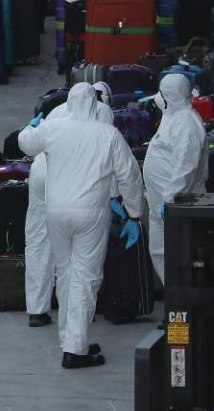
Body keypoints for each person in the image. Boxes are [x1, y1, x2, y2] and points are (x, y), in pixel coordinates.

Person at [18, 83, 143, 369]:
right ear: (94, 104)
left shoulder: (55, 127)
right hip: (90, 214)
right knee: (85, 278)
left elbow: (25, 143)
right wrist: (134, 213)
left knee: (66, 274)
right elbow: (129, 175)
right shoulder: (107, 133)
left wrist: (31, 125)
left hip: (56, 212)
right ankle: (76, 349)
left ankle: (72, 339)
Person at [25, 87, 113, 328]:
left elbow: (30, 141)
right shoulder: (102, 111)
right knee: (79, 249)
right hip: (65, 179)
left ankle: (36, 309)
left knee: (38, 241)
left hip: (40, 170)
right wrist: (114, 197)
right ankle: (78, 312)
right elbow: (106, 158)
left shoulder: (57, 110)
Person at [143, 73, 209, 283]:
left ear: (170, 95)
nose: (158, 98)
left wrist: (170, 200)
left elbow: (186, 167)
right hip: (164, 204)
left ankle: (182, 304)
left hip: (176, 203)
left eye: (162, 93)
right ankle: (176, 300)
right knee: (163, 252)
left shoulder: (186, 123)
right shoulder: (173, 116)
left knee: (178, 254)